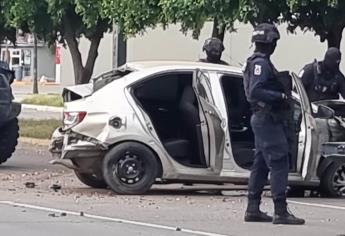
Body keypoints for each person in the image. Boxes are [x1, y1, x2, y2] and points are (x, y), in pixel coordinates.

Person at [242, 23, 305, 225]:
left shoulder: (258, 62)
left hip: (263, 119)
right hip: (267, 118)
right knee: (279, 161)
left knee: (260, 163)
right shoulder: (260, 63)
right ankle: (280, 211)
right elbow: (255, 91)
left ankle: (253, 209)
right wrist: (280, 96)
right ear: (271, 42)